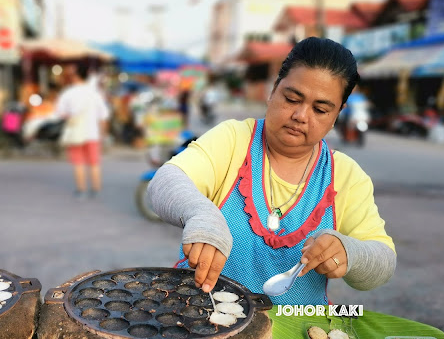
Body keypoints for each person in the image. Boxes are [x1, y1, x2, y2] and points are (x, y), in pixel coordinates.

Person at [148, 37, 396, 305]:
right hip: (203, 323)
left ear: (337, 114)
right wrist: (201, 214)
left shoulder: (346, 175)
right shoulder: (234, 139)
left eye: (320, 109)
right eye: (291, 98)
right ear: (273, 90)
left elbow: (383, 260)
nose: (301, 115)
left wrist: (351, 252)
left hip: (295, 333)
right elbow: (166, 180)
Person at [55, 63, 110, 199]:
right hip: (93, 134)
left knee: (78, 163)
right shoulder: (95, 94)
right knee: (94, 163)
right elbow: (103, 116)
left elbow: (60, 113)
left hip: (75, 133)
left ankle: (81, 190)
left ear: (75, 76)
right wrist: (103, 134)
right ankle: (96, 190)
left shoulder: (68, 93)